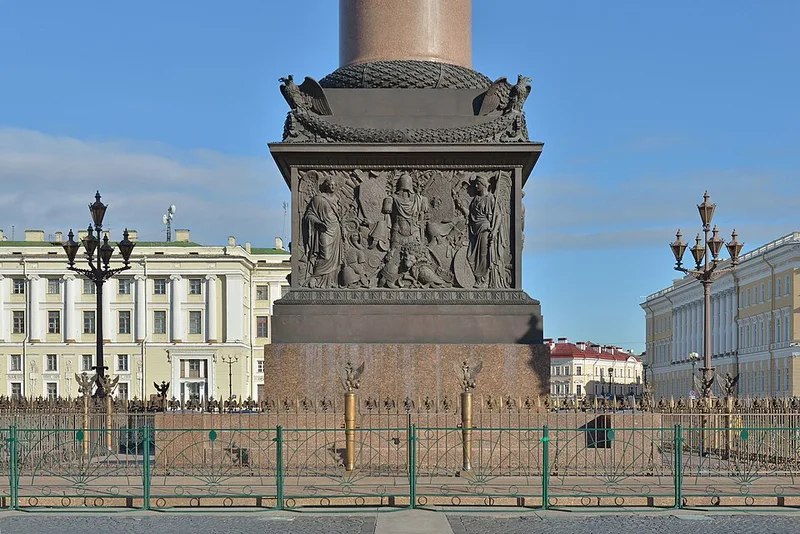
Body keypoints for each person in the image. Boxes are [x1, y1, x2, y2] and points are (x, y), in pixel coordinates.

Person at [302, 174, 342, 288]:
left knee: (336, 258)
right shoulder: (318, 199)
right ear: (326, 186)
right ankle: (315, 278)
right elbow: (309, 215)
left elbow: (339, 216)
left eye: (334, 185)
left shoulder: (337, 199)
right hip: (324, 229)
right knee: (326, 256)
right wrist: (319, 222)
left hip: (336, 229)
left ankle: (331, 282)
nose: (332, 187)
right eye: (330, 185)